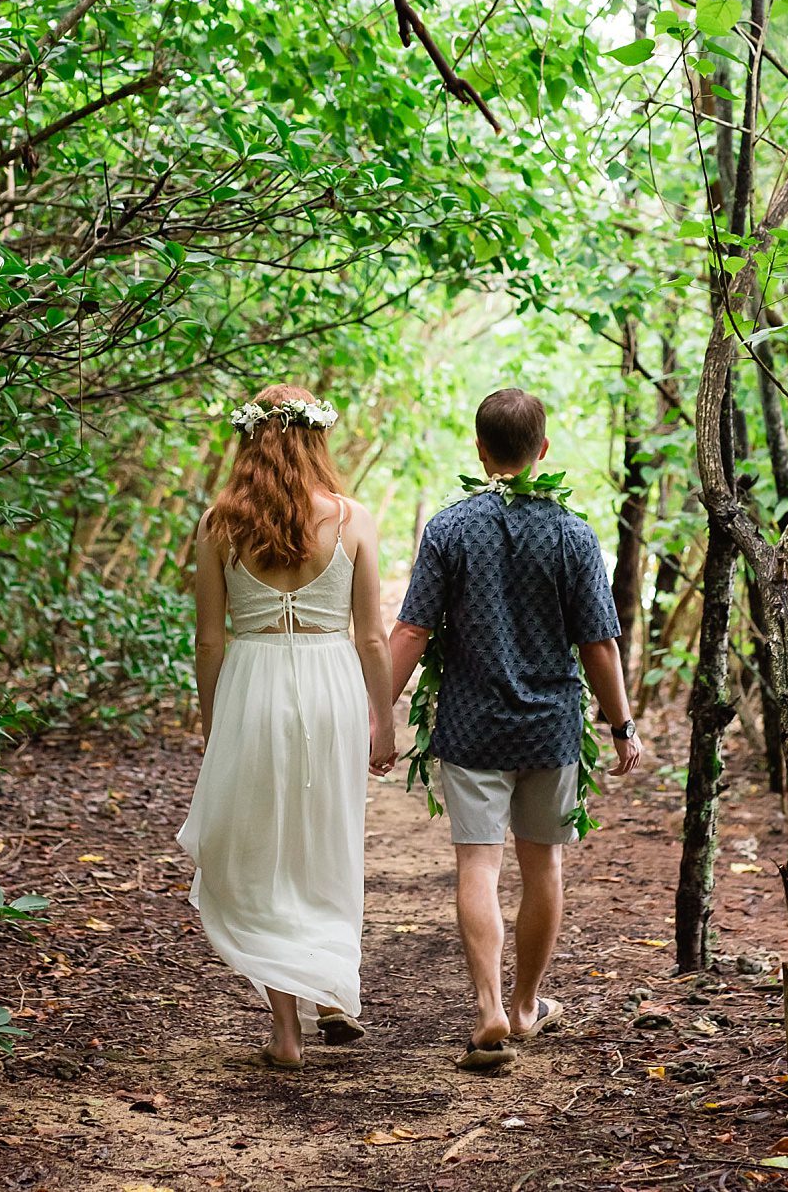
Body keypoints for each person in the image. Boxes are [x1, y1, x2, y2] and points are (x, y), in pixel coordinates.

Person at [388, 388, 643, 1072]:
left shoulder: (448, 529)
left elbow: (413, 628)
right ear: (543, 450)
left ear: (479, 449)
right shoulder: (573, 533)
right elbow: (599, 644)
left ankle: (487, 1007)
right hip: (549, 728)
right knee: (543, 866)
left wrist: (370, 709)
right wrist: (621, 722)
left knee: (478, 862)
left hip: (471, 725)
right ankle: (527, 1005)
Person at [177, 385, 399, 1071]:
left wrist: (217, 722)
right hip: (333, 688)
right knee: (327, 839)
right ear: (317, 439)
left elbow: (209, 642)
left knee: (266, 852)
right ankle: (330, 987)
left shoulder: (219, 524)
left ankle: (287, 1029)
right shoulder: (353, 518)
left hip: (253, 685)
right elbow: (371, 638)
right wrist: (382, 718)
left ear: (250, 441)